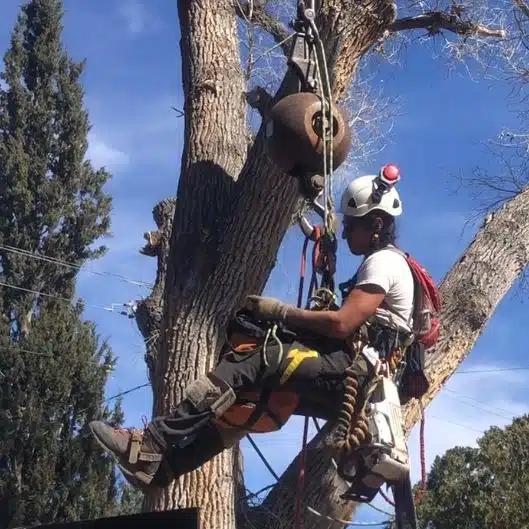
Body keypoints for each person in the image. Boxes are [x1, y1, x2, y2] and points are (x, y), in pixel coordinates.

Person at [89, 167, 416, 493]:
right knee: (258, 399)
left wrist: (280, 312)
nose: (344, 234)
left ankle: (151, 442)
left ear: (375, 224)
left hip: (359, 374)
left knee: (258, 361)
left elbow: (343, 323)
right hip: (359, 379)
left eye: (350, 226)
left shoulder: (384, 262)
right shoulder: (385, 263)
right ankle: (163, 470)